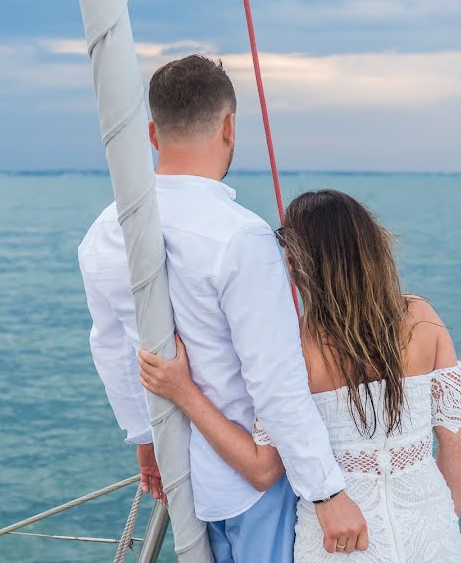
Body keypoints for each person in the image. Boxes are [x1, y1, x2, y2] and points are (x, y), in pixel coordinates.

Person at [78, 56, 368, 562]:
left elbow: (110, 348)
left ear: (152, 133)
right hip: (253, 485)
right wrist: (327, 492)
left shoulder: (103, 234)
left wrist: (146, 440)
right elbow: (276, 385)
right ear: (229, 127)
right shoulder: (242, 237)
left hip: (181, 474)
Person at [139, 189, 461, 562]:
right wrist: (443, 521)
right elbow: (456, 440)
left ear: (299, 268)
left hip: (340, 544)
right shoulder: (423, 318)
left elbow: (261, 470)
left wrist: (183, 390)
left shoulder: (296, 347)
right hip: (433, 536)